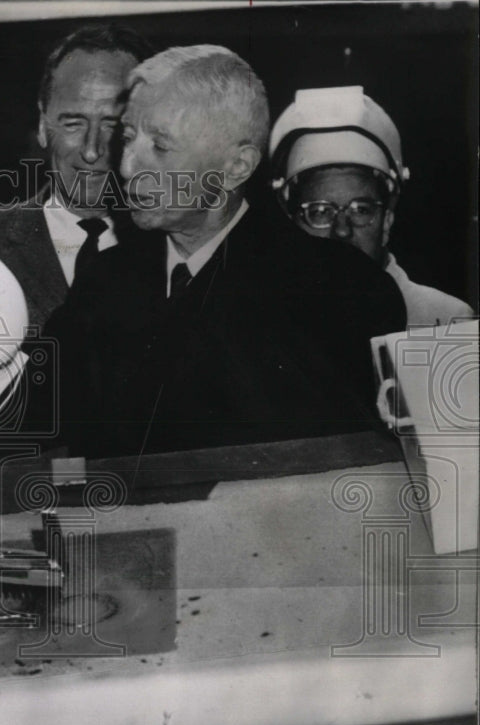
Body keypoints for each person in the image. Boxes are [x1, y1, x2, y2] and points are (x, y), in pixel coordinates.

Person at [35, 45, 407, 459]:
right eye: (128, 137)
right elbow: (43, 444)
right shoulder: (103, 283)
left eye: (159, 146)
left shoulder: (339, 291)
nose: (125, 167)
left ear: (236, 167)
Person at [0, 24, 151, 330]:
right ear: (41, 125)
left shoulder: (177, 251)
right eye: (73, 123)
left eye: (112, 126)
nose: (92, 151)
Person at [269, 85, 474, 327]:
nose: (342, 230)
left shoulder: (443, 321)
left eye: (360, 210)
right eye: (320, 212)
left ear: (387, 221)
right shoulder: (268, 325)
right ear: (293, 225)